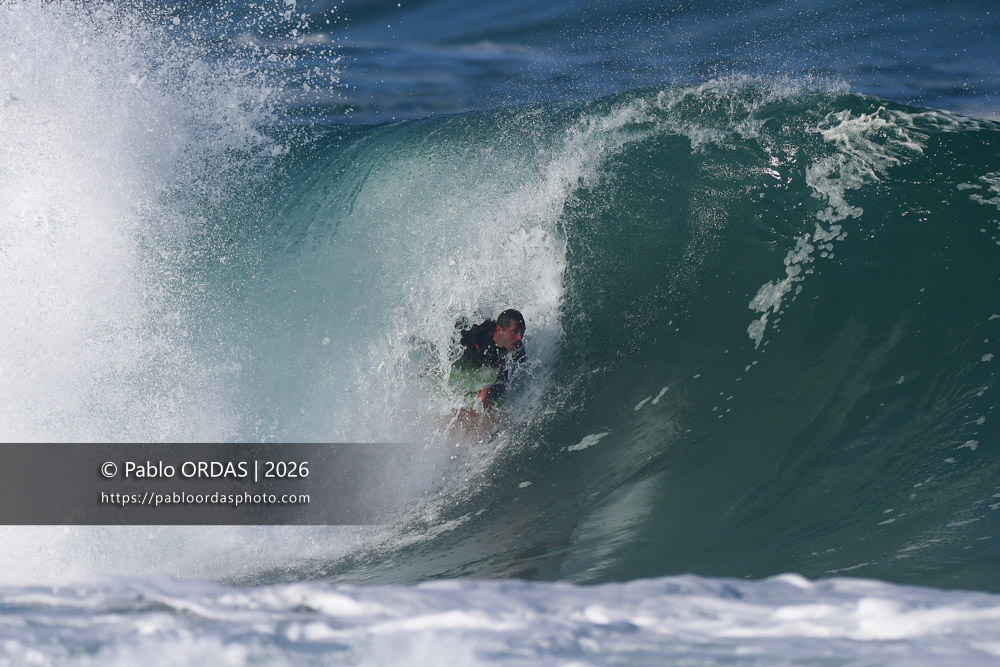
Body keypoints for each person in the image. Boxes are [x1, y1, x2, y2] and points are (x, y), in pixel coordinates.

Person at [457, 309, 526, 410]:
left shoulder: (518, 352)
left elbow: (506, 381)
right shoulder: (478, 334)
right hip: (469, 351)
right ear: (499, 330)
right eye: (515, 332)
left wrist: (490, 390)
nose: (520, 337)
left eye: (522, 332)